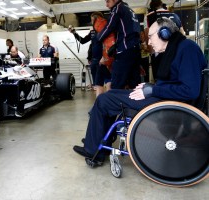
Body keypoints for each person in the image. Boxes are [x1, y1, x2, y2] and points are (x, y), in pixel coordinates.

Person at [73, 17, 207, 164]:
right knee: (110, 94)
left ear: (165, 34)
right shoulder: (178, 47)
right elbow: (175, 82)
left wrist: (153, 90)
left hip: (170, 106)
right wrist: (150, 87)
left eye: (150, 37)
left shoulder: (187, 49)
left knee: (104, 100)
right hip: (165, 99)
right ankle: (97, 140)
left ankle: (93, 151)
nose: (148, 42)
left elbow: (190, 90)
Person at [97, 0, 141, 89]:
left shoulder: (118, 8)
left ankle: (115, 102)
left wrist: (98, 38)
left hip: (124, 50)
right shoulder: (130, 10)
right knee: (134, 85)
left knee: (117, 85)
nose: (106, 5)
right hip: (135, 50)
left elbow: (109, 26)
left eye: (108, 1)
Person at [68, 12, 112, 96]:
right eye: (92, 20)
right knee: (97, 85)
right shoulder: (92, 32)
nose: (93, 22)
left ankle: (110, 101)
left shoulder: (106, 31)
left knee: (109, 81)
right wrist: (74, 33)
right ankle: (99, 104)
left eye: (94, 20)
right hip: (94, 61)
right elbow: (83, 41)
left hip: (105, 60)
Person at [144, 0, 185, 80]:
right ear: (163, 5)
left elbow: (147, 34)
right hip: (175, 51)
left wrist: (151, 52)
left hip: (159, 52)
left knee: (160, 78)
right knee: (175, 77)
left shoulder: (149, 16)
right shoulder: (174, 15)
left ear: (152, 8)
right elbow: (182, 34)